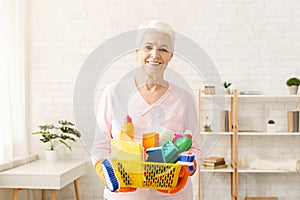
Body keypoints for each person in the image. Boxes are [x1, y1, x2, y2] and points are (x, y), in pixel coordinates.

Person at [91, 20, 201, 200]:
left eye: (163, 49)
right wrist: (103, 170)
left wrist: (187, 169)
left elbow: (194, 146)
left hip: (173, 196)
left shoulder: (184, 99)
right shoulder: (114, 93)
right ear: (137, 52)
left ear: (171, 56)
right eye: (148, 47)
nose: (155, 54)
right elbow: (100, 146)